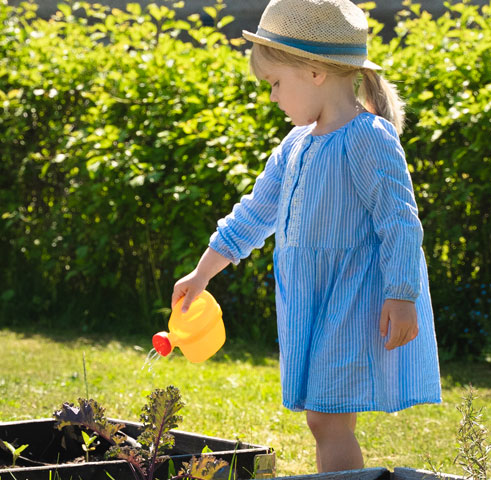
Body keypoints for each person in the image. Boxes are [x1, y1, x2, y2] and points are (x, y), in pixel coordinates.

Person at [168, 0, 442, 472]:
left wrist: (401, 294)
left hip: (351, 298)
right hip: (308, 298)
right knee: (323, 417)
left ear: (315, 72)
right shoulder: (295, 145)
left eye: (275, 83)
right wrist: (202, 272)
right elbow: (255, 213)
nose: (272, 96)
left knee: (328, 419)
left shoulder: (368, 137)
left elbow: (399, 221)